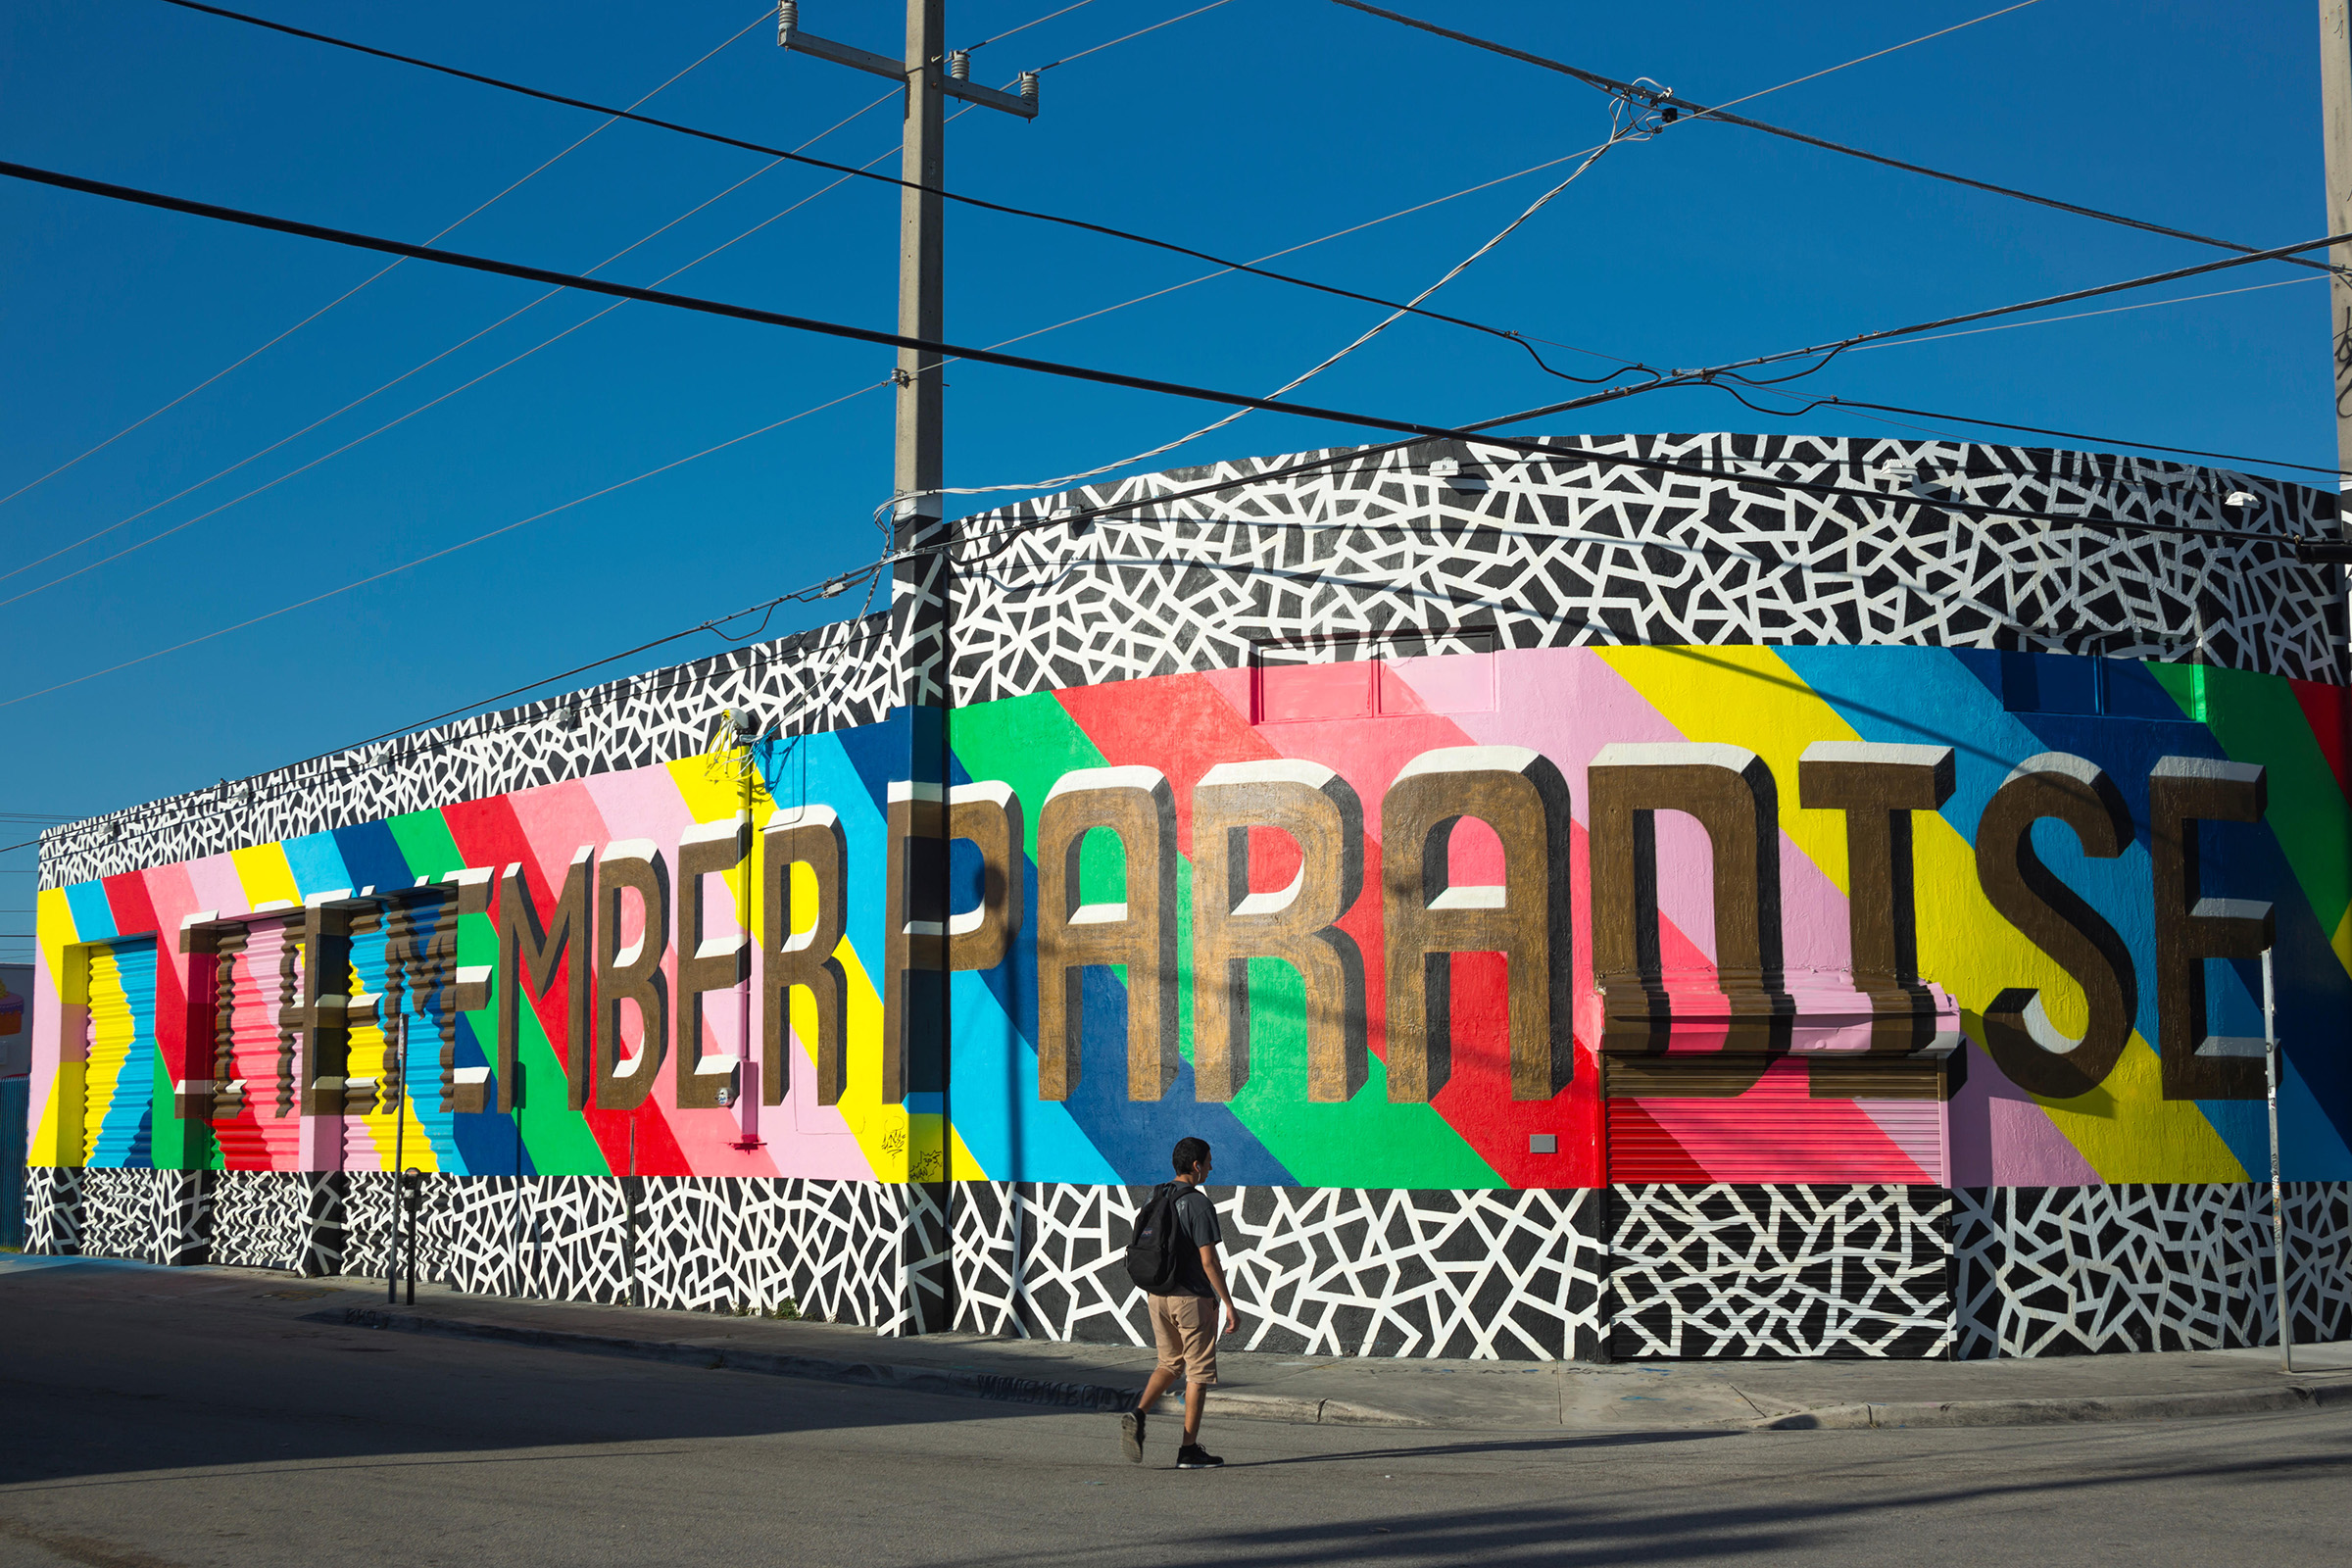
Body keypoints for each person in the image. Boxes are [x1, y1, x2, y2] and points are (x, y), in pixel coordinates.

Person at [1122, 1136, 1238, 1469]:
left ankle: (1139, 1412)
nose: (1211, 1168)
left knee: (1169, 1363)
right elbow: (1209, 1262)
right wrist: (1228, 1303)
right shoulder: (1199, 1204)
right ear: (1196, 1165)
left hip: (1157, 1296)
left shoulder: (1155, 1195)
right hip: (1191, 1300)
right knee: (1198, 1373)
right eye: (1209, 1162)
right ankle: (1188, 1450)